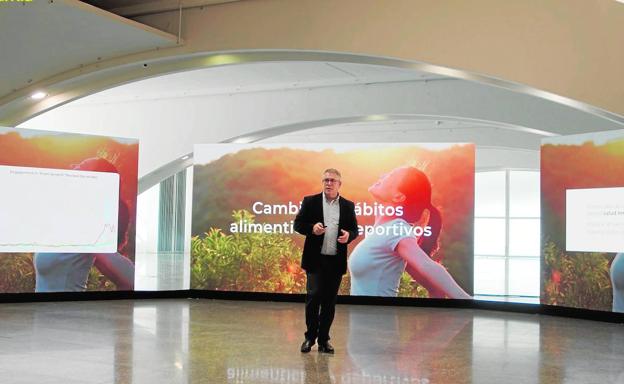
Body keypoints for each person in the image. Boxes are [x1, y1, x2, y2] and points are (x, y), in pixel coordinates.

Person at [349, 166, 470, 299]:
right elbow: (435, 289)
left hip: (379, 319)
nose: (382, 175)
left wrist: (465, 300)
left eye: (390, 175)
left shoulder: (396, 229)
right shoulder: (385, 231)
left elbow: (426, 265)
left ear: (398, 197)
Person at [33, 157, 134, 292]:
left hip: (68, 313)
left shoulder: (88, 228)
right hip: (44, 312)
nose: (73, 165)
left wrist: (117, 309)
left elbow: (130, 280)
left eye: (81, 166)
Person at [294, 168, 359, 354]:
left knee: (329, 302)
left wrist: (349, 236)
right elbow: (297, 224)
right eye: (326, 180)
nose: (329, 183)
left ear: (340, 184)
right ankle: (309, 338)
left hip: (335, 261)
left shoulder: (348, 205)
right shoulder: (310, 201)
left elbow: (354, 230)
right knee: (313, 298)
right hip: (315, 260)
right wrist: (311, 228)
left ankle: (324, 340)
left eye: (332, 180)